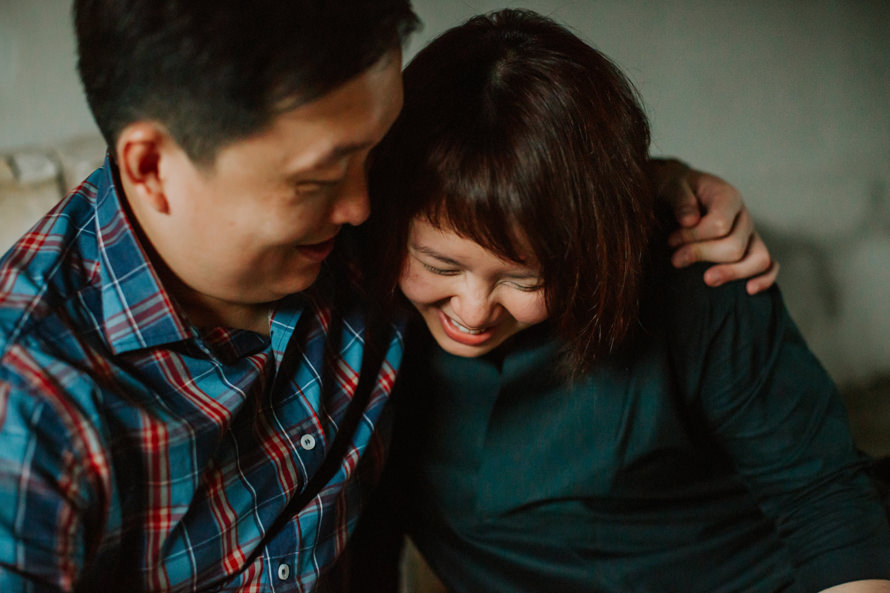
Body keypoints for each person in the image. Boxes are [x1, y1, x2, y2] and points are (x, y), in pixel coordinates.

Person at [0, 2, 775, 591]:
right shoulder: (29, 411)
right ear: (152, 168)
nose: (367, 205)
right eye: (318, 178)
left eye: (379, 150)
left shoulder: (358, 234)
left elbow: (510, 183)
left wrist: (660, 184)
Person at [355, 9, 890, 593]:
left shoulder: (697, 275)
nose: (474, 309)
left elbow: (827, 505)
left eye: (526, 280)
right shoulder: (351, 317)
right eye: (440, 266)